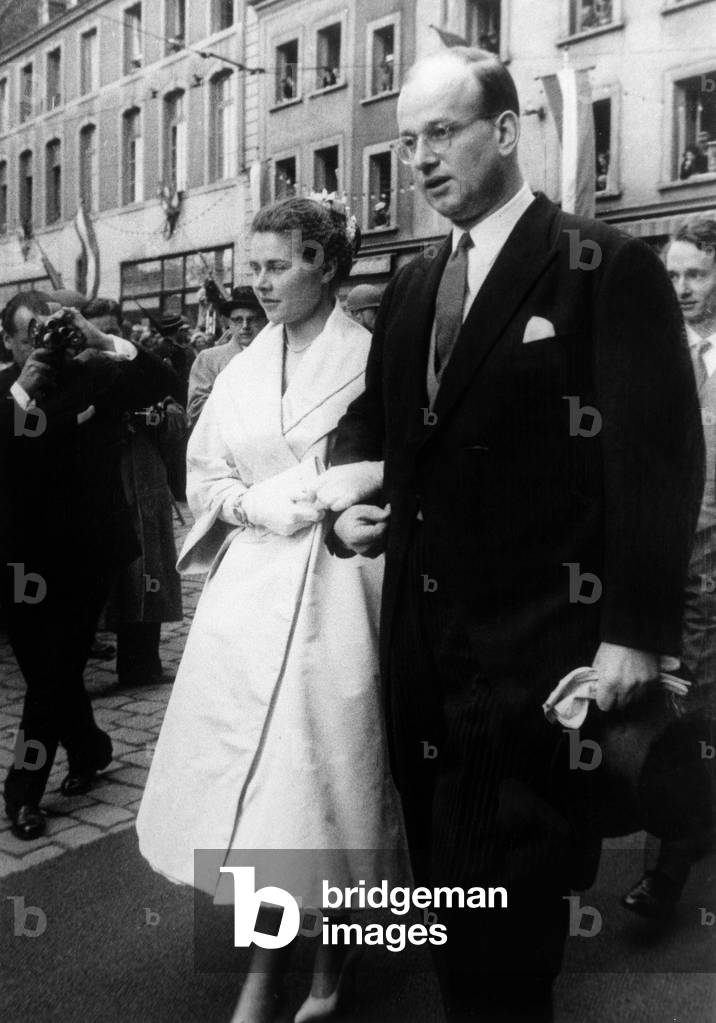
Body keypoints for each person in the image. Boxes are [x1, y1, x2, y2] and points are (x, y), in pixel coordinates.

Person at [312, 46, 703, 1022]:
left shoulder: (599, 267)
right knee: (452, 907)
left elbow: (655, 464)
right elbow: (377, 424)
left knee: (505, 939)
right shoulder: (409, 286)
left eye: (439, 134)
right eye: (407, 143)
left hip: (533, 658)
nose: (421, 160)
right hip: (420, 660)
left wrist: (630, 634)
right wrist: (346, 503)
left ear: (505, 129)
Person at [137, 198, 405, 1023]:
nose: (259, 283)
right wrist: (262, 507)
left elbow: (390, 466)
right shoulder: (243, 364)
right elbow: (207, 477)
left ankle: (324, 962)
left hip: (338, 593)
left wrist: (313, 497)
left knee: (319, 782)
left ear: (325, 262)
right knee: (256, 799)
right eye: (252, 267)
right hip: (248, 600)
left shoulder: (370, 357)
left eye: (277, 265)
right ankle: (264, 964)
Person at [0, 292, 177, 840]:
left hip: (86, 555)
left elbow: (162, 383)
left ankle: (23, 791)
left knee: (52, 674)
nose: (44, 343)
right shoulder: (7, 387)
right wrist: (20, 392)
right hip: (18, 559)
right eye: (31, 333)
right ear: (8, 340)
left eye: (54, 330)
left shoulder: (97, 375)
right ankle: (91, 747)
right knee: (47, 672)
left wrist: (102, 341)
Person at [620, 217, 716, 918]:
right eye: (673, 276)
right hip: (680, 557)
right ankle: (666, 870)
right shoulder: (655, 354)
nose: (681, 289)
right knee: (682, 699)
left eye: (696, 275)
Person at [83, 297, 184, 690]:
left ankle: (143, 665)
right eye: (96, 331)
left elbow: (171, 396)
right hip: (103, 483)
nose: (104, 339)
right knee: (114, 577)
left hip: (145, 477)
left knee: (150, 569)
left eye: (111, 330)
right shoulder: (78, 373)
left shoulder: (136, 366)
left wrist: (163, 416)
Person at [186, 286, 267, 428]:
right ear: (229, 323)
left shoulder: (276, 355)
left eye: (252, 319)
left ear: (264, 321)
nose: (245, 326)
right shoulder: (209, 359)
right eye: (237, 320)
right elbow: (195, 410)